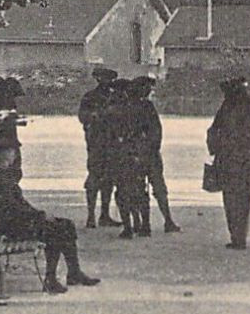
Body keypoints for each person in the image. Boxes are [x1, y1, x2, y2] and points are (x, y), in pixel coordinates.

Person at [0, 142, 101, 294]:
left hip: (16, 222)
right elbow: (12, 209)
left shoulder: (2, 175)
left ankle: (73, 272)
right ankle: (51, 279)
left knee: (66, 224)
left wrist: (39, 214)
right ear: (3, 154)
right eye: (12, 152)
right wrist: (41, 216)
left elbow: (19, 206)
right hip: (11, 228)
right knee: (56, 230)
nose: (15, 155)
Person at [206, 77, 250, 249]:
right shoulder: (244, 107)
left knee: (232, 200)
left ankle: (237, 237)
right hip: (240, 162)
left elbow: (215, 131)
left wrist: (218, 146)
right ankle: (238, 237)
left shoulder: (230, 107)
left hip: (233, 161)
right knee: (240, 202)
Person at [131, 76, 181, 233]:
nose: (148, 91)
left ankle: (147, 223)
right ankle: (159, 221)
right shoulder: (144, 107)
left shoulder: (137, 106)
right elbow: (155, 131)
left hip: (144, 154)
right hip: (146, 154)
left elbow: (156, 132)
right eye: (146, 88)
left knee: (146, 188)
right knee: (153, 188)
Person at [103, 79, 152, 237]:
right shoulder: (141, 108)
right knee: (139, 189)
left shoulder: (113, 110)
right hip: (136, 154)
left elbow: (108, 135)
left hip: (122, 155)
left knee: (123, 192)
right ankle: (142, 224)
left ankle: (130, 226)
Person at [77, 68, 121, 228]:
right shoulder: (90, 97)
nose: (106, 82)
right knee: (94, 177)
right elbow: (82, 117)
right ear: (97, 79)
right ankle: (90, 216)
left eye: (109, 79)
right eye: (103, 78)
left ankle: (104, 214)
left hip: (113, 143)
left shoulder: (116, 98)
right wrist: (97, 115)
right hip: (96, 143)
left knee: (108, 179)